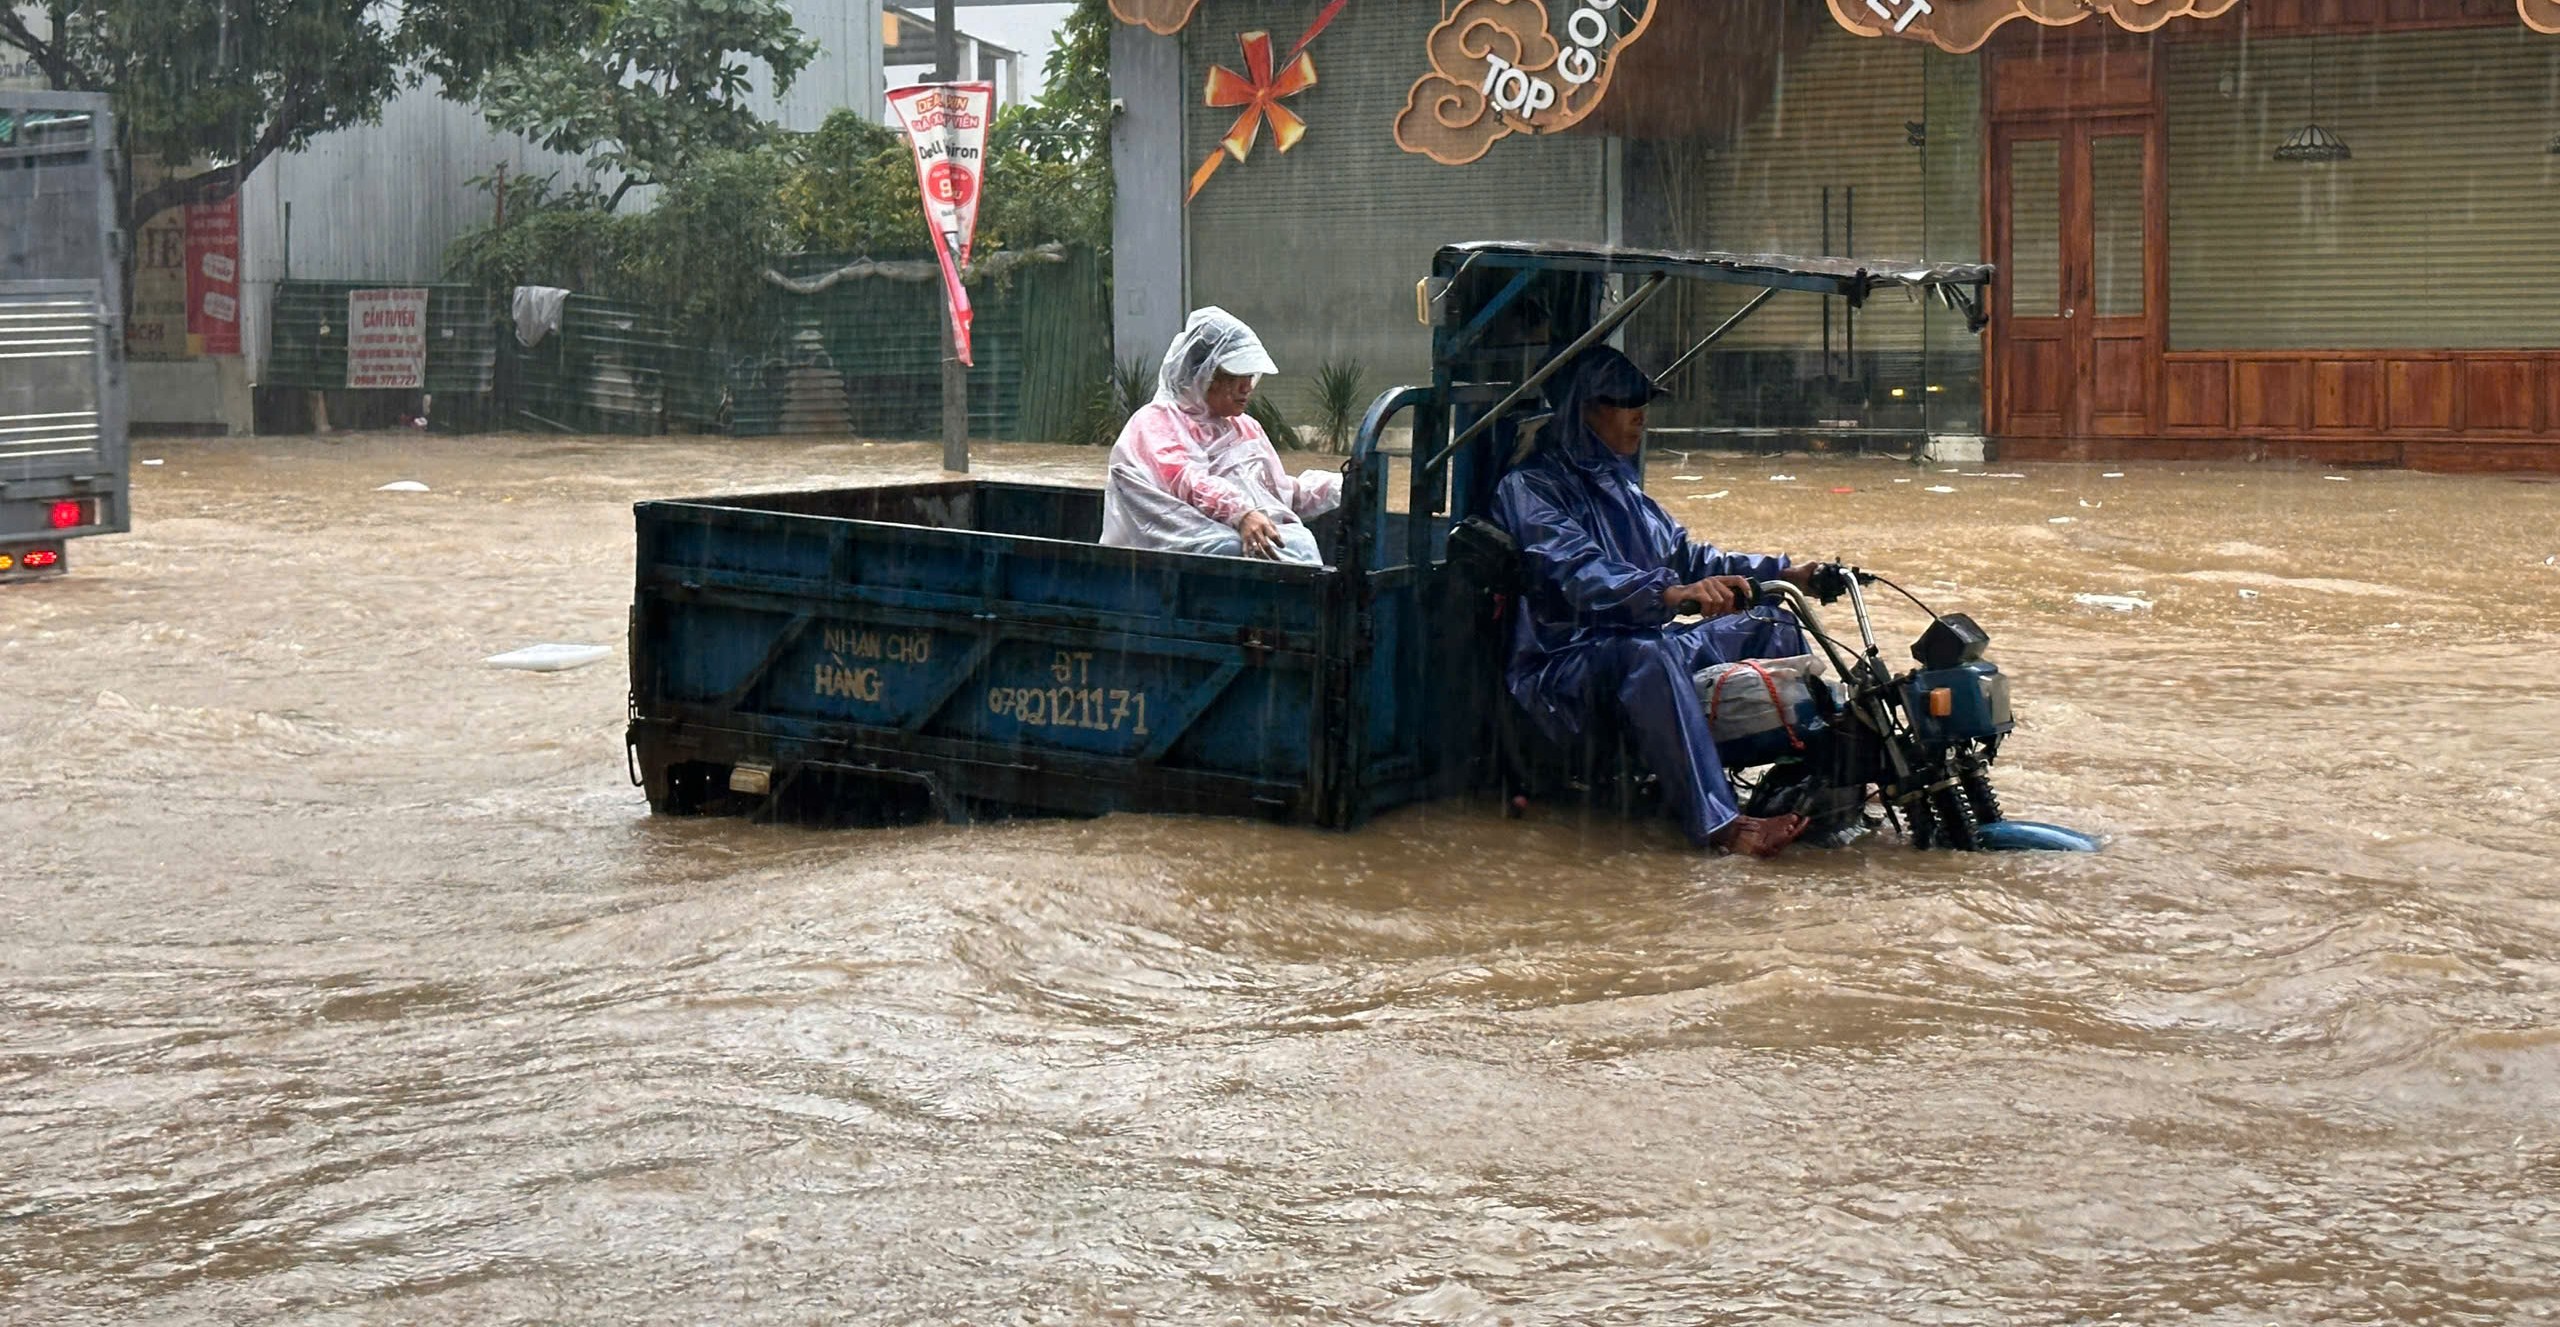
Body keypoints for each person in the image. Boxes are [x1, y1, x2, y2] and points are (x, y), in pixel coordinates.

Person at [1491, 346, 1832, 858]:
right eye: (1626, 402)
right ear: (1584, 409)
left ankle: (1808, 779)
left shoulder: (1624, 485)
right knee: (1649, 656)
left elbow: (1688, 557)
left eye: (1643, 402)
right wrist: (1668, 593)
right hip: (1563, 664)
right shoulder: (1530, 486)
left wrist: (1781, 574)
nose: (1640, 415)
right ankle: (1720, 825)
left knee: (1769, 623)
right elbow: (1576, 571)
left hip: (1642, 638)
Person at [1100, 307, 1342, 565]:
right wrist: (1241, 514)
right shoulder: (1158, 421)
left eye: (1249, 375)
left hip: (1241, 550)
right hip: (1173, 560)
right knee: (1233, 547)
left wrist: (1339, 486)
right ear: (1203, 376)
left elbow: (1279, 494)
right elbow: (1187, 480)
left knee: (1296, 541)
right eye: (1234, 376)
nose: (1247, 387)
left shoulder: (1244, 427)